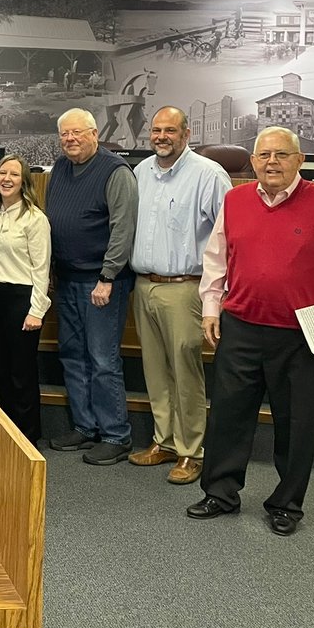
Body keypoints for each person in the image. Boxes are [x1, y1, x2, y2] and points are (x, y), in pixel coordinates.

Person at [187, 127, 314, 536]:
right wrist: (211, 308)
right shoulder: (234, 201)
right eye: (264, 155)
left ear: (299, 160)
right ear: (252, 161)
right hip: (241, 328)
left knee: (296, 422)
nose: (272, 162)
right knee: (228, 416)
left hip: (304, 335)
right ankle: (220, 493)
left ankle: (286, 504)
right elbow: (216, 259)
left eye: (282, 154)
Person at [129, 106, 231, 485]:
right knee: (156, 370)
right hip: (145, 285)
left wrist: (220, 296)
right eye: (156, 130)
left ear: (186, 134)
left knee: (185, 372)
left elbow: (230, 236)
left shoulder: (209, 175)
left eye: (170, 130)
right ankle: (165, 441)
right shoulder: (141, 172)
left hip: (186, 288)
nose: (162, 137)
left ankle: (192, 451)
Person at [44, 107, 138, 466]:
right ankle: (85, 426)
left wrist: (108, 277)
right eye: (64, 134)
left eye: (77, 132)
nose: (70, 139)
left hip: (102, 283)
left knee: (102, 360)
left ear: (95, 134)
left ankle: (116, 435)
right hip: (67, 280)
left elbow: (123, 229)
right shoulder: (60, 168)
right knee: (72, 355)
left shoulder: (115, 171)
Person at [0, 155, 51, 445]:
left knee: (22, 371)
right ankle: (9, 432)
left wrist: (37, 311)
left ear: (24, 182)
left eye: (14, 175)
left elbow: (42, 268)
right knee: (0, 368)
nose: (7, 179)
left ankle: (28, 436)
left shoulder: (34, 218)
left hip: (21, 299)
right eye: (2, 173)